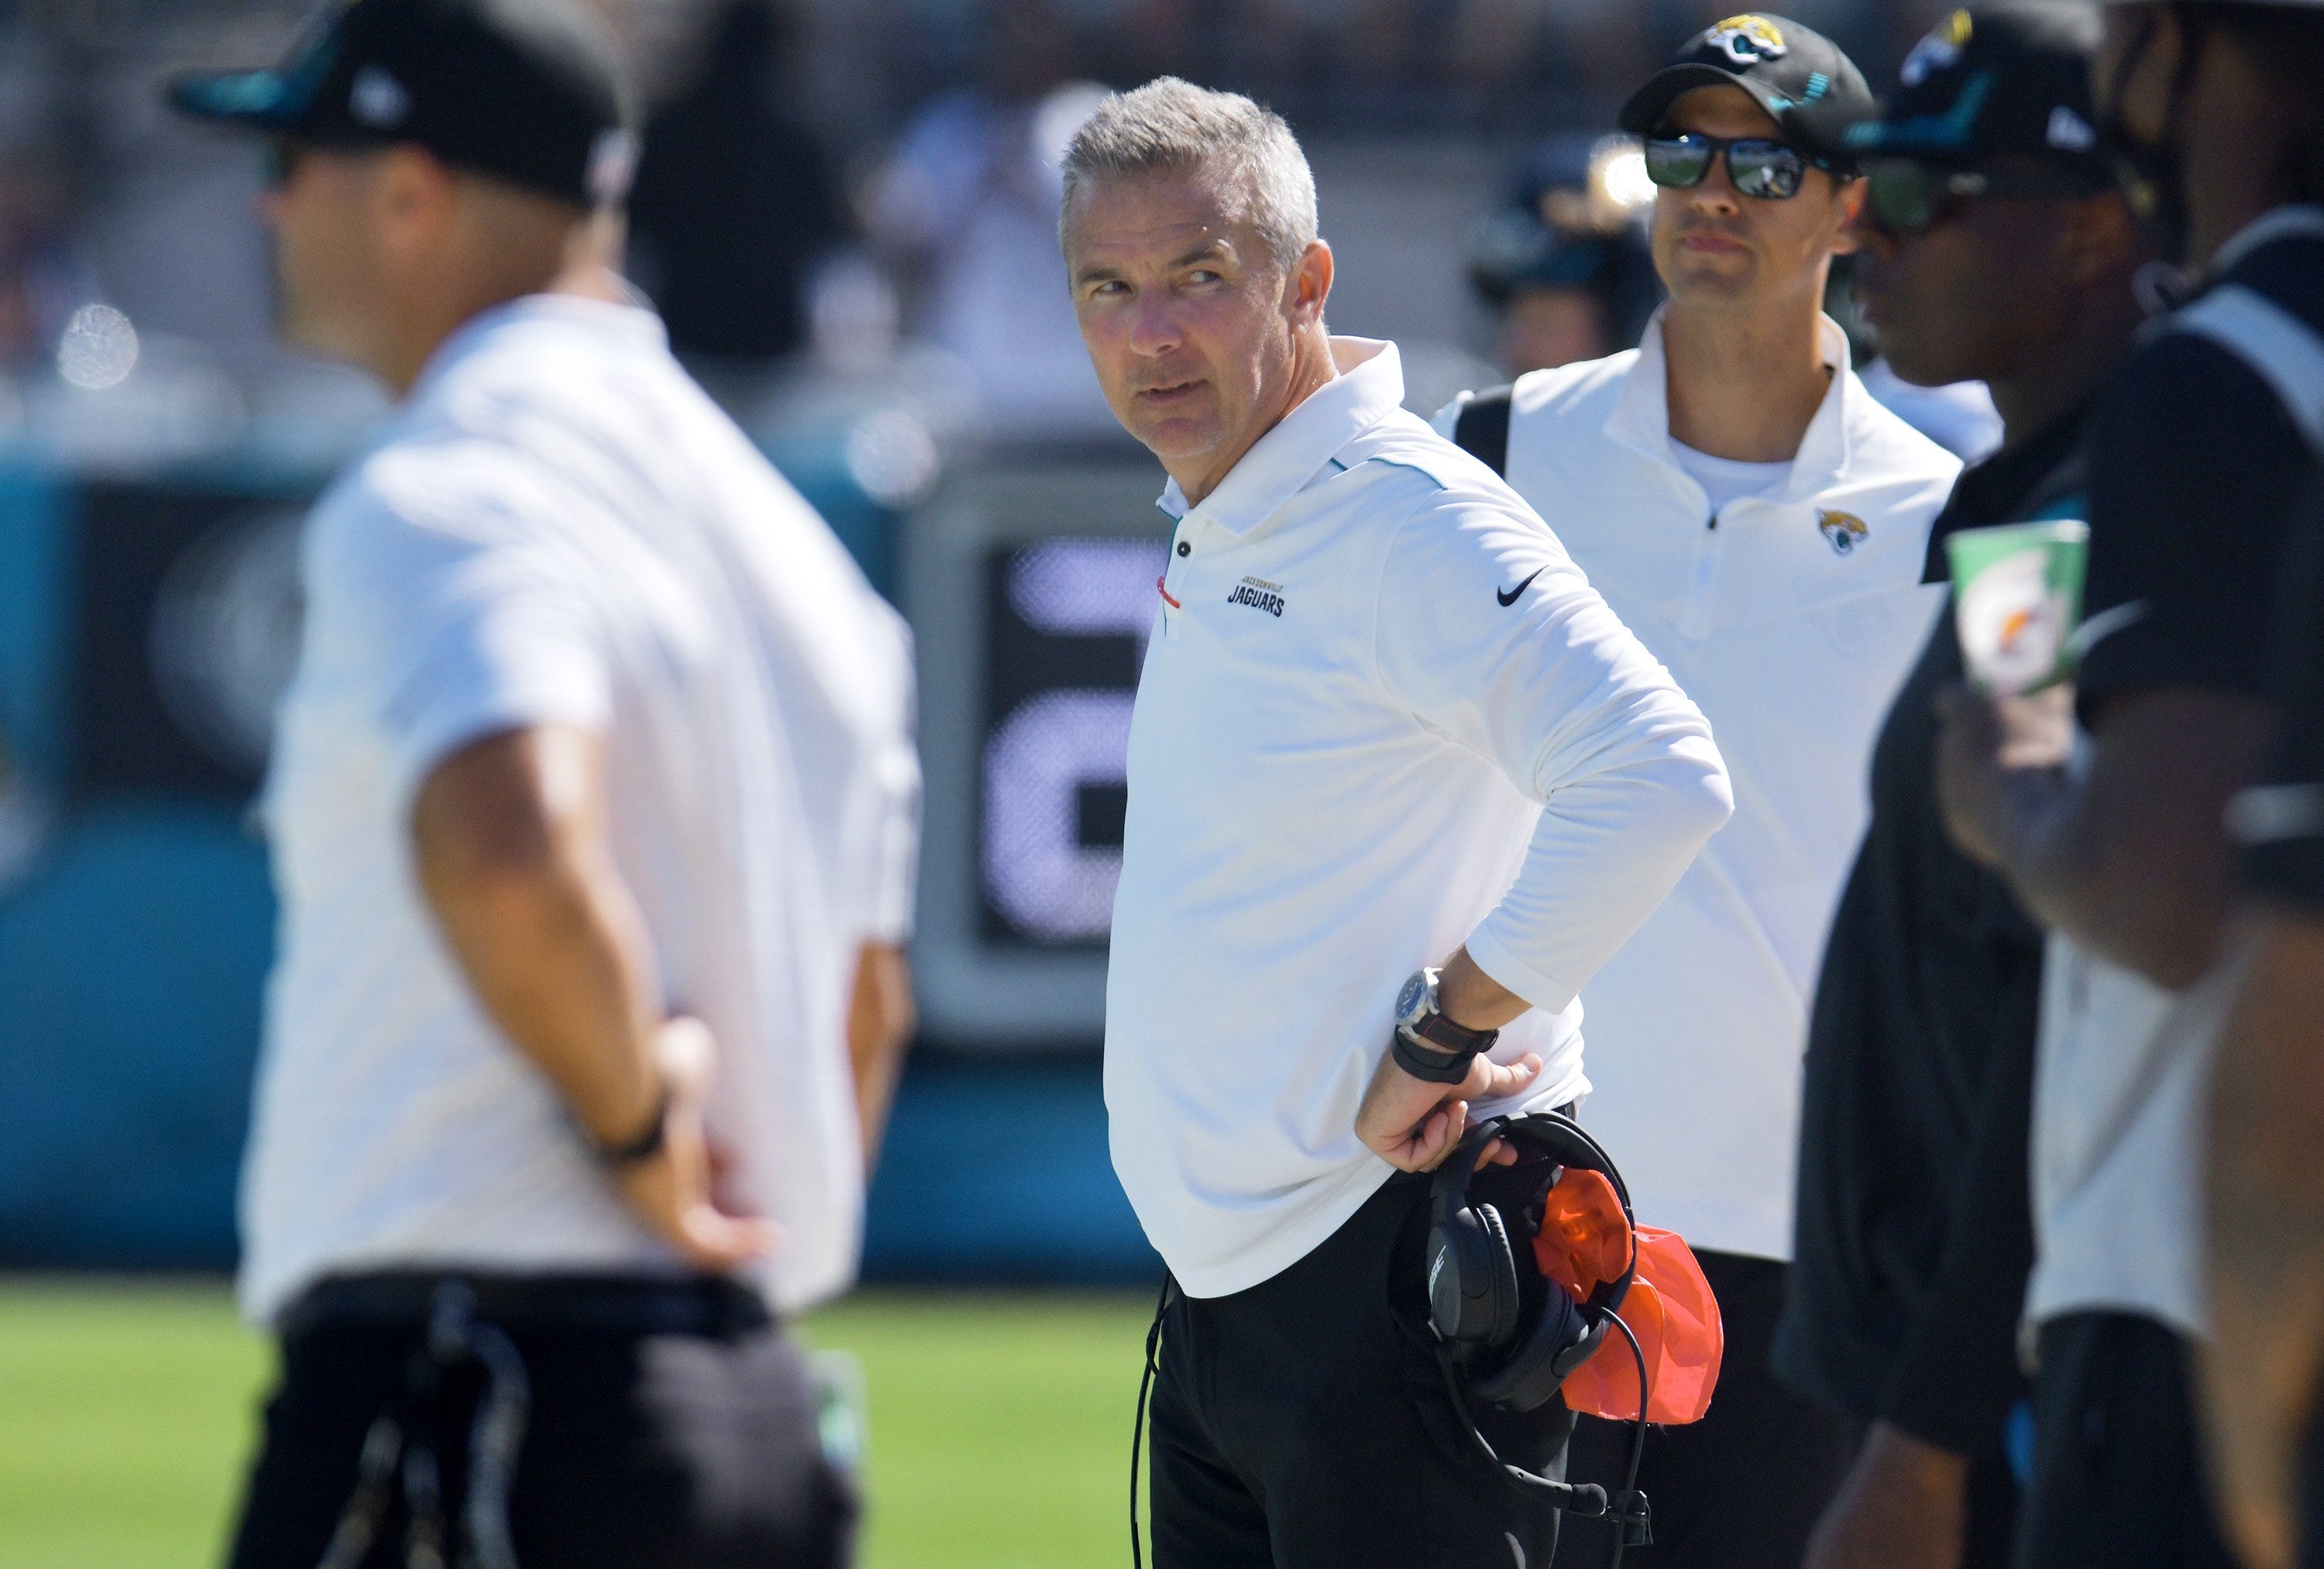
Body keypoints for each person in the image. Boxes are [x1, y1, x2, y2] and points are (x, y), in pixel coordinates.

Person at [167, 0, 919, 1561]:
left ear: (409, 190)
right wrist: (734, 1239)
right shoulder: (789, 543)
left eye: (299, 156)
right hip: (749, 1405)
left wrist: (640, 1137)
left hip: (480, 1397)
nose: (269, 201)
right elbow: (867, 1002)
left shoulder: (451, 482)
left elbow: (505, 842)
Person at [1061, 77, 1734, 1568]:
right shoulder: (1241, 497)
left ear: (1304, 283)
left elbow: (1661, 773)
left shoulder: (1402, 514)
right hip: (1239, 1309)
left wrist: (1445, 1032)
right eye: (1108, 289)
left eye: (1199, 278)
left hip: (1394, 1300)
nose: (1151, 334)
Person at [1437, 17, 1962, 1566]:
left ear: (1858, 205)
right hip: (1516, 1216)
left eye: (1767, 158)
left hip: (1817, 1265)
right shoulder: (1486, 456)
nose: (1713, 190)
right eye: (1683, 153)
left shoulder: (1969, 526)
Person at [1931, 2, 2324, 1565]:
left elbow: (2175, 904)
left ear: (2185, 51)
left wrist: (2010, 788)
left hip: (2199, 1313)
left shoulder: (2222, 370)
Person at [1769, 10, 2144, 1569]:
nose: (1865, 237)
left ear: (2096, 225)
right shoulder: (2022, 515)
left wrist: (1927, 1433)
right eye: (1857, 191)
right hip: (1931, 1381)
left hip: (2011, 1418)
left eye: (1922, 195)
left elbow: (2060, 1018)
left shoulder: (2120, 509)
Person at [624, 0, 851, 365]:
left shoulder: (670, 134)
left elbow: (636, 228)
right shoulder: (797, 147)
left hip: (688, 343)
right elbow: (826, 237)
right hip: (762, 353)